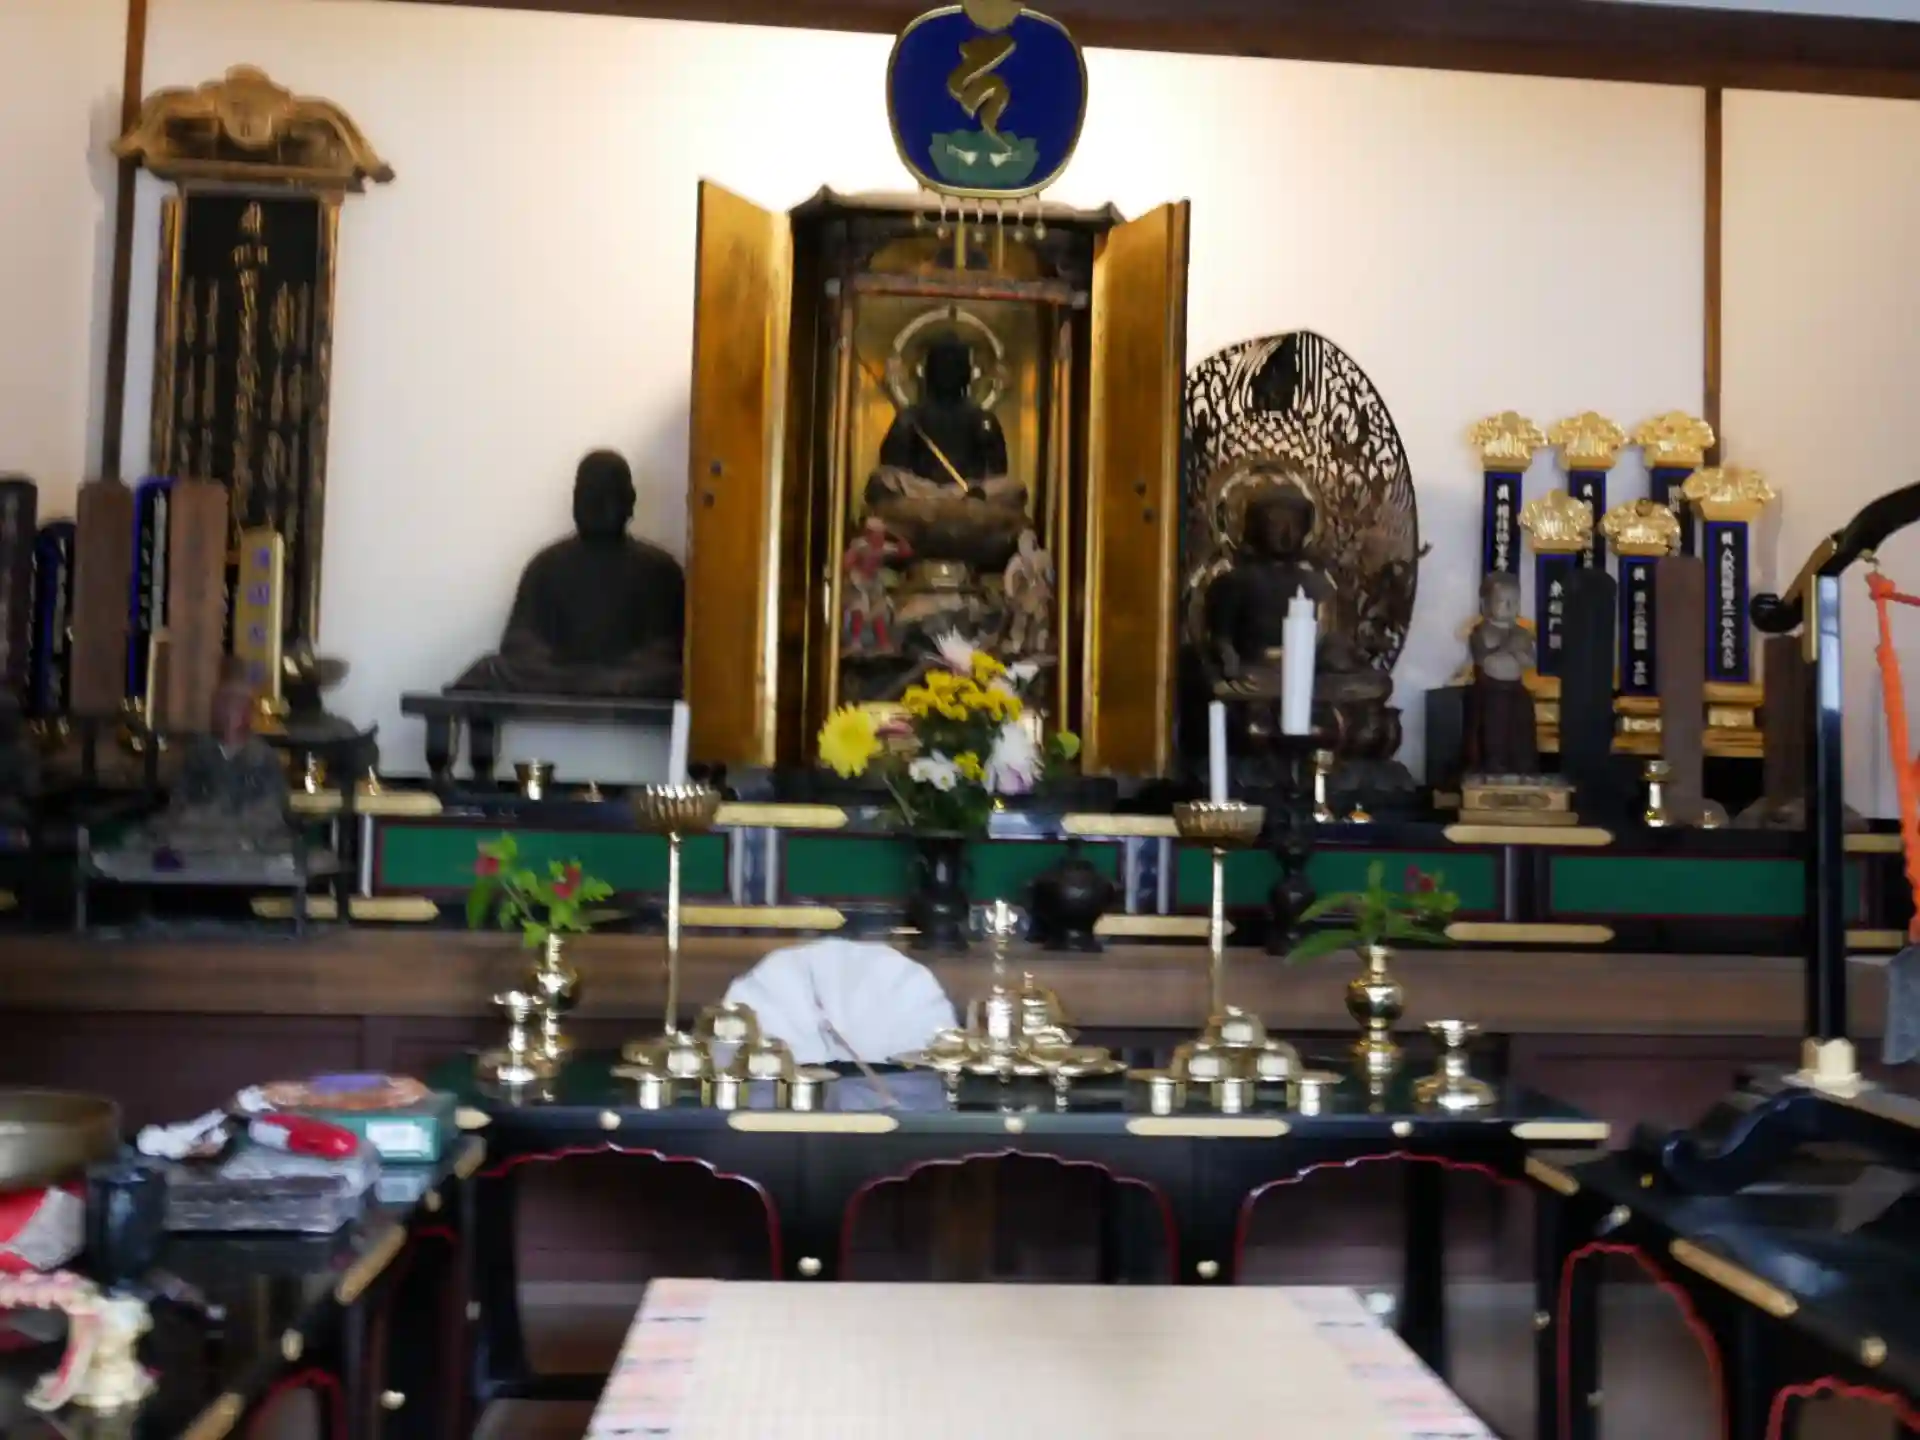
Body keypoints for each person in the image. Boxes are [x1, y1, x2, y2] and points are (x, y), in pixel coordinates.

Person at [453, 450, 684, 697]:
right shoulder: (546, 565)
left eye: (606, 495)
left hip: (626, 678)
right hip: (559, 677)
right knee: (489, 670)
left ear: (630, 500)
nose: (595, 505)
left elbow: (667, 649)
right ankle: (596, 687)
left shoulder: (660, 569)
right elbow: (519, 643)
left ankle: (599, 685)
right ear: (574, 500)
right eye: (587, 495)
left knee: (679, 677)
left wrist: (624, 671)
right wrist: (551, 664)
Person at [1465, 571, 1539, 775]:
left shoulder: (1523, 633)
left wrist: (1518, 652)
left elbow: (1530, 662)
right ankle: (1494, 765)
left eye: (1514, 601)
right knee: (1494, 730)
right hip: (1492, 689)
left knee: (1521, 728)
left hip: (1516, 687)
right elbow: (1484, 660)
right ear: (1486, 605)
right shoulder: (1482, 631)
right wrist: (1507, 647)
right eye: (1502, 601)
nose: (1509, 606)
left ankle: (1522, 765)